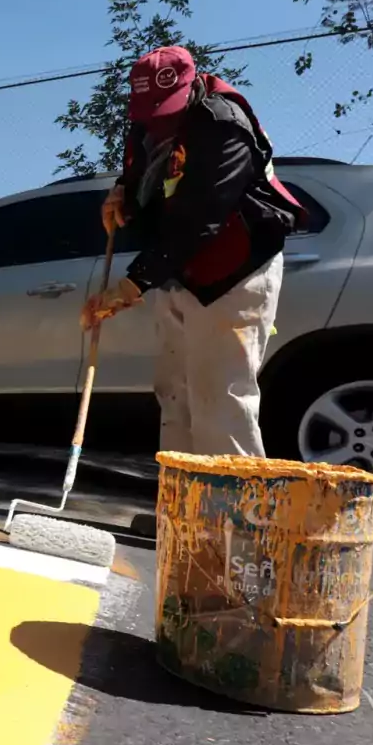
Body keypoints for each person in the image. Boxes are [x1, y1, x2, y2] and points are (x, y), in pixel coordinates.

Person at [81, 45, 306, 458]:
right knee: (175, 395)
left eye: (166, 111)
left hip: (234, 271)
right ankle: (182, 512)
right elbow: (143, 181)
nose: (157, 122)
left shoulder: (223, 123)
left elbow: (200, 217)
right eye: (149, 111)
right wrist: (122, 198)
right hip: (178, 272)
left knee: (220, 398)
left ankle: (234, 517)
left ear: (190, 87)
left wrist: (130, 286)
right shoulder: (145, 122)